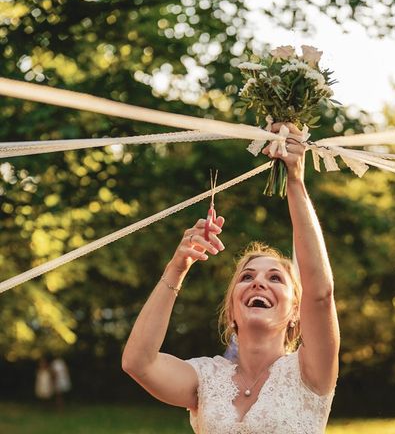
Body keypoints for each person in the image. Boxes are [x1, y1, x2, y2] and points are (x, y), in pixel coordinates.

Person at [122, 123, 339, 433]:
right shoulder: (206, 378)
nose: (258, 282)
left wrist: (295, 181)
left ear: (295, 311)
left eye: (275, 278)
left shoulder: (310, 371)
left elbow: (320, 294)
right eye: (247, 276)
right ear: (232, 310)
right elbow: (137, 363)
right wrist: (177, 266)